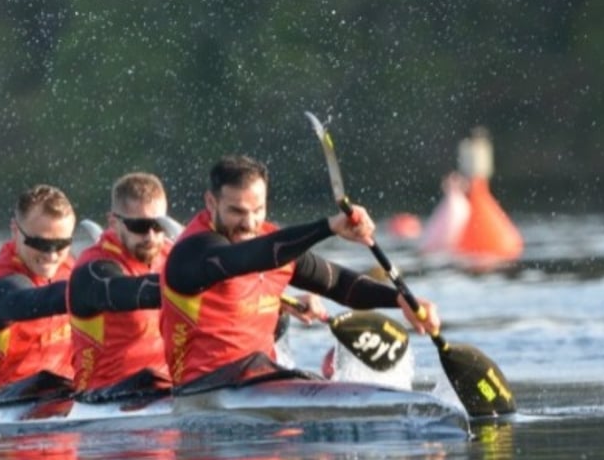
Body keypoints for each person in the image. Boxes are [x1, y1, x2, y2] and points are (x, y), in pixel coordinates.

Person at [160, 155, 440, 387]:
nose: (249, 223)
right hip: (201, 391)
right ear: (211, 203)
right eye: (237, 211)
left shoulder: (276, 244)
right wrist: (329, 227)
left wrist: (398, 299)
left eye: (258, 210)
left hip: (264, 382)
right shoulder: (193, 253)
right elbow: (249, 258)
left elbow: (339, 283)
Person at [67, 172, 174, 399]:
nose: (151, 236)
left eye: (159, 225)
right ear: (114, 223)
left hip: (165, 389)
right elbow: (123, 292)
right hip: (105, 397)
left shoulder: (170, 254)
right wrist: (191, 281)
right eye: (140, 226)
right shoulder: (93, 268)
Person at [0, 184, 77, 397]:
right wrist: (91, 292)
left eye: (62, 243)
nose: (52, 255)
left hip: (63, 395)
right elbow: (26, 302)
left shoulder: (68, 268)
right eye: (40, 243)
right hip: (4, 407)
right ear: (15, 231)